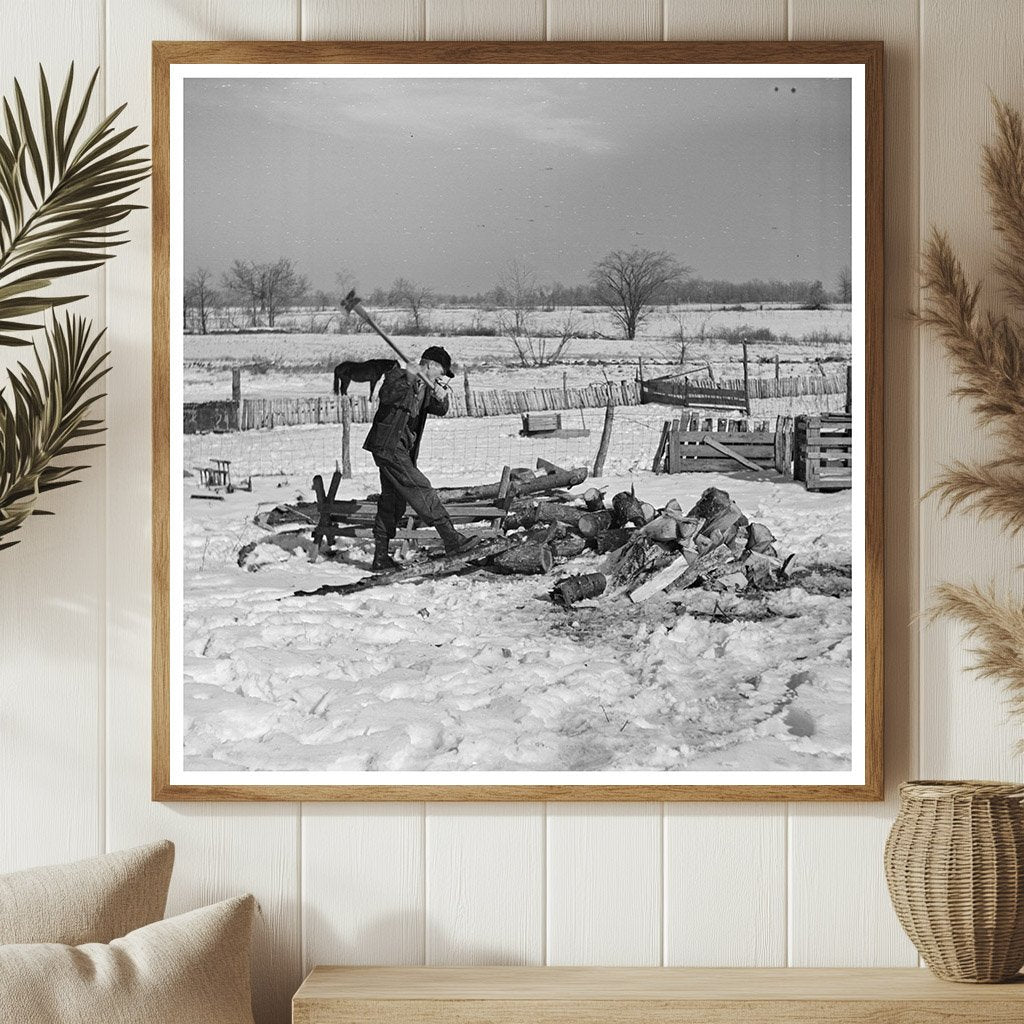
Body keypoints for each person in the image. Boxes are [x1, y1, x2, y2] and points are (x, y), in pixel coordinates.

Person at [362, 346, 479, 571]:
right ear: (432, 365)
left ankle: (380, 558)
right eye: (441, 372)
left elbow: (440, 409)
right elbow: (386, 396)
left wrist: (441, 397)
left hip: (402, 450)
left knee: (392, 502)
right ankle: (451, 539)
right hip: (389, 447)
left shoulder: (425, 385)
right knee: (421, 488)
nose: (441, 377)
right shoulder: (397, 375)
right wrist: (408, 377)